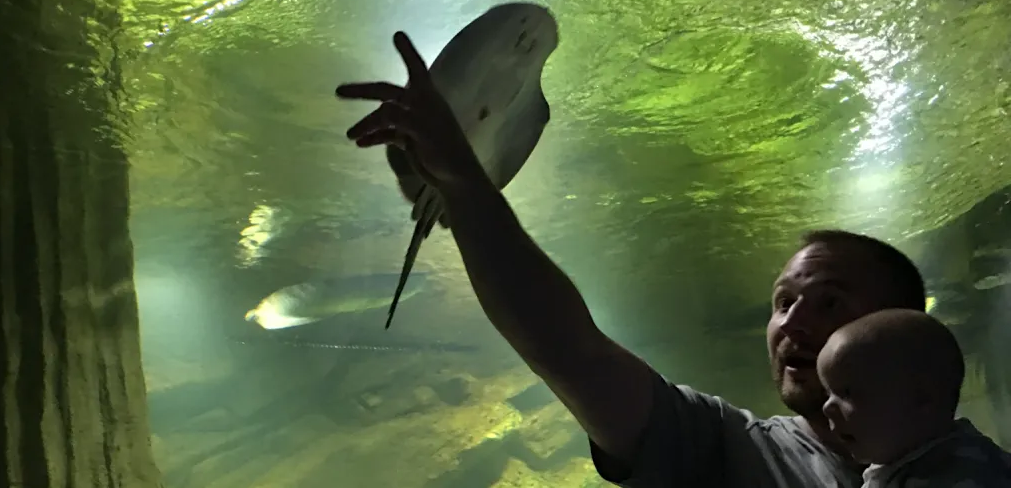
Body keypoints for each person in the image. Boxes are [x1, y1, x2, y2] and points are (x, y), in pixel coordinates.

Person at [335, 32, 943, 487]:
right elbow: (571, 351)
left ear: (904, 328)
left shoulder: (967, 467)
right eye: (782, 303)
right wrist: (462, 182)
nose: (792, 323)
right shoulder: (726, 449)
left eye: (830, 302)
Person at [817, 308, 1011, 486]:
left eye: (848, 392)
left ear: (922, 397)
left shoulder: (963, 475)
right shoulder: (911, 464)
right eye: (828, 393)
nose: (827, 407)